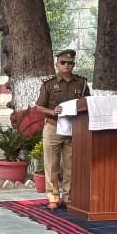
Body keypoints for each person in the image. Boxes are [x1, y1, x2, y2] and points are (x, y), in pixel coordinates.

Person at [34, 49, 91, 210]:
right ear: (57, 64)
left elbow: (88, 102)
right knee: (51, 164)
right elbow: (39, 106)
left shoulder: (81, 83)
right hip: (53, 127)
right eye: (63, 62)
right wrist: (52, 112)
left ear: (74, 65)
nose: (66, 65)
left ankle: (69, 196)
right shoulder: (49, 84)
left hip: (74, 128)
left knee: (71, 165)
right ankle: (53, 196)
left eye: (70, 62)